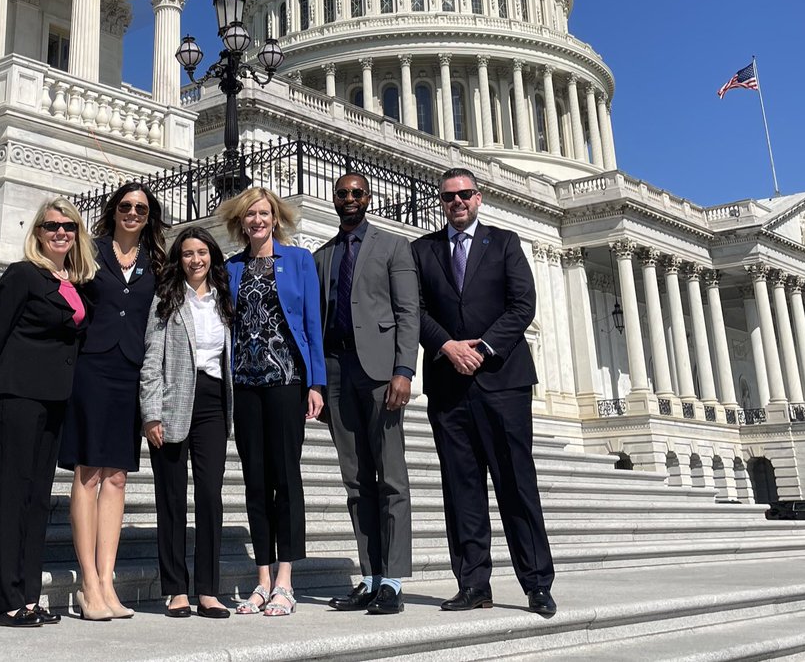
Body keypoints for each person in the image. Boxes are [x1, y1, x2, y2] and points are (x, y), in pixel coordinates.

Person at [410, 167, 557, 617]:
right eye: (449, 196)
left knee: (516, 484)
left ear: (479, 198)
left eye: (465, 194)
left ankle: (536, 583)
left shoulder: (506, 243)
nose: (457, 202)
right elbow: (412, 308)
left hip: (502, 382)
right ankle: (473, 583)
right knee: (461, 488)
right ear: (442, 201)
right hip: (449, 385)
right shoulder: (423, 250)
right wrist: (448, 346)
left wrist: (484, 347)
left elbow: (523, 304)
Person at [0, 197, 98, 627]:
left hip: (53, 401)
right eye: (51, 226)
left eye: (68, 226)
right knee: (12, 497)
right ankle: (7, 602)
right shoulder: (22, 276)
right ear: (38, 233)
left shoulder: (75, 283)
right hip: (15, 397)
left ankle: (28, 595)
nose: (60, 232)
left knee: (37, 500)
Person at [58, 182, 167, 620]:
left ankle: (107, 579)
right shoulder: (90, 251)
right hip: (91, 367)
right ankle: (87, 582)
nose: (133, 213)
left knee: (118, 477)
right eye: (126, 206)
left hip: (130, 371)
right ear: (114, 210)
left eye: (141, 208)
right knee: (88, 474)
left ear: (149, 215)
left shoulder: (156, 263)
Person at [314, 173, 419, 615]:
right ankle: (371, 575)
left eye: (357, 193)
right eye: (343, 193)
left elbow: (407, 311)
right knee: (355, 480)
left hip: (380, 373)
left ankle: (393, 580)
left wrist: (403, 370)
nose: (350, 199)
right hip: (338, 371)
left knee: (391, 476)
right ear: (334, 199)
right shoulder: (323, 255)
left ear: (368, 198)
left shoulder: (393, 247)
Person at [220, 187, 325, 617]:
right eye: (250, 215)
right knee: (255, 481)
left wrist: (316, 383)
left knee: (286, 476)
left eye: (263, 213)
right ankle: (262, 579)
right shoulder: (232, 267)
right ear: (241, 222)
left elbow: (313, 324)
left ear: (275, 218)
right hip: (244, 383)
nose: (257, 221)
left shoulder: (299, 261)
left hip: (286, 381)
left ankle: (285, 579)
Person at [140, 227, 235, 619]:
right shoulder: (166, 298)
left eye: (201, 252)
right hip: (173, 402)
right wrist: (151, 413)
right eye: (187, 254)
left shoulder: (224, 301)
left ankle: (208, 590)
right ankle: (176, 589)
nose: (195, 260)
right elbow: (151, 359)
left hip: (213, 402)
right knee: (171, 498)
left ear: (212, 255)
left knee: (210, 496)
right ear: (178, 259)